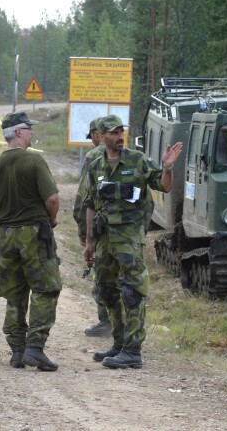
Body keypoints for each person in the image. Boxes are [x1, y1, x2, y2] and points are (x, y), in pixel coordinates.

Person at [83, 115, 183, 369]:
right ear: (102, 136)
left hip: (129, 238)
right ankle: (119, 343)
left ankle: (133, 350)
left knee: (132, 292)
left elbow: (163, 185)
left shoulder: (137, 160)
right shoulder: (95, 164)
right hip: (104, 238)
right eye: (114, 133)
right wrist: (89, 241)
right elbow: (90, 204)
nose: (119, 137)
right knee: (106, 290)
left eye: (121, 132)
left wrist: (168, 168)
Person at [0, 111, 62, 372]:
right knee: (45, 289)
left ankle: (17, 350)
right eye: (29, 128)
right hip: (34, 232)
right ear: (17, 132)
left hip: (6, 235)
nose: (32, 133)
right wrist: (51, 220)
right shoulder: (34, 162)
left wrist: (1, 230)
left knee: (14, 293)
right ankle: (35, 348)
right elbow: (53, 199)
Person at [72, 118, 111, 338]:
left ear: (97, 134)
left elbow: (84, 196)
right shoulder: (130, 156)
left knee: (102, 272)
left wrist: (82, 231)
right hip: (126, 228)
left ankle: (105, 321)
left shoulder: (93, 156)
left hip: (100, 226)